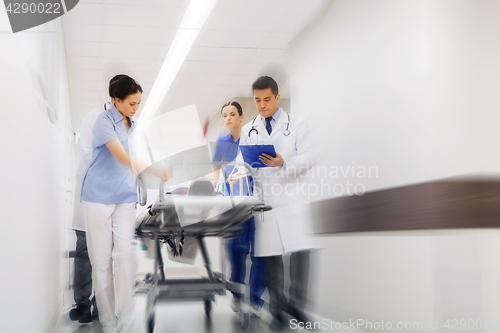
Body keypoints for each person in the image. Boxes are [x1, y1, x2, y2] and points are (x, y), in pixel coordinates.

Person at [81, 76, 167, 333]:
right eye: (131, 103)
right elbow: (122, 157)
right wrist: (155, 168)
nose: (135, 108)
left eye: (138, 103)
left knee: (126, 257)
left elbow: (139, 156)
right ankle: (109, 322)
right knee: (102, 262)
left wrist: (156, 165)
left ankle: (127, 319)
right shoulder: (104, 123)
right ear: (115, 100)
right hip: (97, 197)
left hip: (125, 197)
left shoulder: (135, 125)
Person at [236, 76, 316, 330]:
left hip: (292, 197)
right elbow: (242, 163)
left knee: (301, 252)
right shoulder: (249, 129)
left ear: (277, 96)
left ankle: (297, 305)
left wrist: (285, 163)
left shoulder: (297, 124)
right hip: (267, 200)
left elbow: (311, 155)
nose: (262, 105)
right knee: (271, 259)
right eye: (258, 100)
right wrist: (244, 170)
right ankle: (278, 308)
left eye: (267, 99)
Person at [69, 74, 128, 323]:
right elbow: (90, 155)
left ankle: (101, 304)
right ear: (115, 98)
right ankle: (82, 303)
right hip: (91, 197)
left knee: (109, 256)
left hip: (116, 200)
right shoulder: (93, 118)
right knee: (85, 251)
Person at [212, 101, 266, 317]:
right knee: (235, 252)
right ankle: (236, 296)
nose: (228, 118)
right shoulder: (222, 141)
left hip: (253, 203)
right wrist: (217, 183)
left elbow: (259, 165)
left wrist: (243, 175)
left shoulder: (250, 137)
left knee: (259, 254)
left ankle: (254, 299)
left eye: (232, 114)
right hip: (232, 206)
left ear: (241, 116)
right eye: (224, 115)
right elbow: (216, 164)